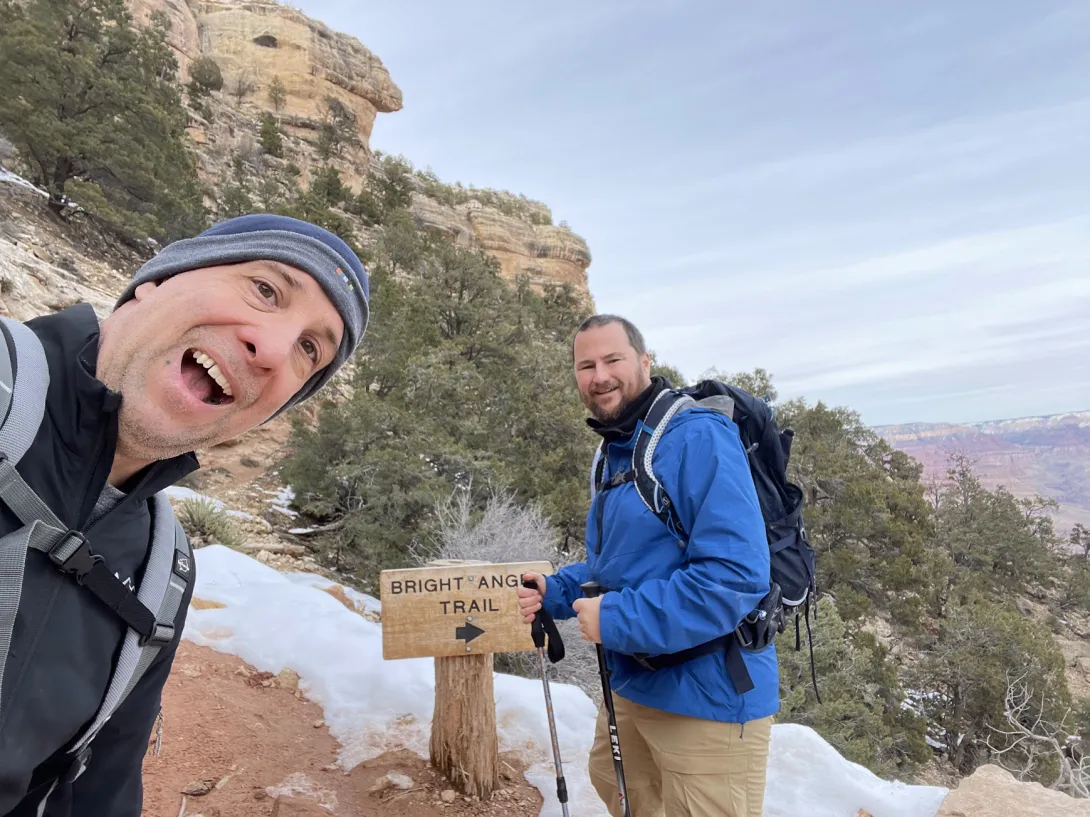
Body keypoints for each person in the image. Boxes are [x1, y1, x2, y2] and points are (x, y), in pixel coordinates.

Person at [0, 214, 370, 817]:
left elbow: (94, 792)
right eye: (266, 289)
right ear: (155, 282)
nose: (273, 349)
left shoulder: (160, 573)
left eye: (310, 350)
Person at [517, 314, 779, 817]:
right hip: (637, 681)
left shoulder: (696, 437)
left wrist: (615, 619)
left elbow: (734, 576)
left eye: (612, 359)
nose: (599, 376)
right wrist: (555, 589)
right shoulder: (618, 449)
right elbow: (615, 565)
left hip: (710, 695)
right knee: (615, 782)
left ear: (643, 361)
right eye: (585, 365)